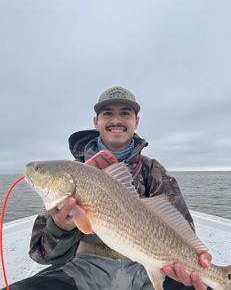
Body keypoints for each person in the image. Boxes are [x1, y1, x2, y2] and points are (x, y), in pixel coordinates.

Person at [2, 86, 212, 290]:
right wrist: (60, 226)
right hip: (85, 269)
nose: (116, 120)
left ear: (136, 121)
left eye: (125, 113)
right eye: (107, 113)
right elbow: (41, 255)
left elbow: (183, 230)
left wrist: (196, 260)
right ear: (96, 121)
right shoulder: (74, 172)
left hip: (149, 267)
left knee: (202, 284)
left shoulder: (154, 171)